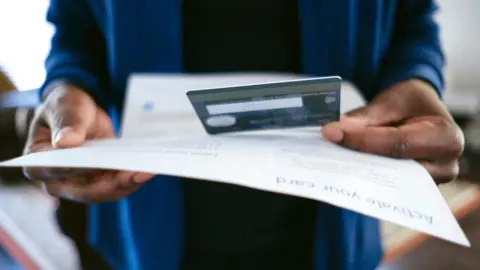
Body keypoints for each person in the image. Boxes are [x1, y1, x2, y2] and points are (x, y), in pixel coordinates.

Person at [23, 0, 464, 269]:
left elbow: (412, 17)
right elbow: (75, 26)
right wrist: (66, 86)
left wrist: (418, 80)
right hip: (141, 218)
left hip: (330, 226)